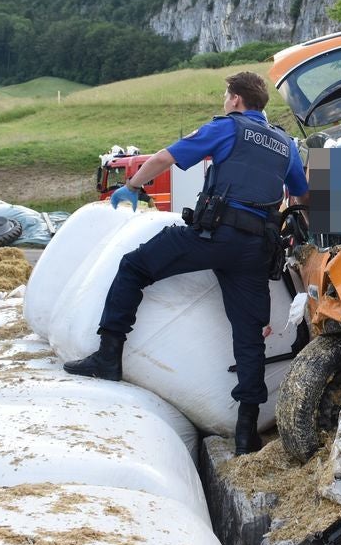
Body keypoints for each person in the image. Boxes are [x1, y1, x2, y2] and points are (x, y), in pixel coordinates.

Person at [64, 70, 308, 455]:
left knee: (134, 266)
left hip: (213, 236)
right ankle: (247, 430)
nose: (225, 101)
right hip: (254, 249)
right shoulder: (285, 144)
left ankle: (108, 355)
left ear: (236, 100)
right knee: (248, 336)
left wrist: (129, 186)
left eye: (226, 96)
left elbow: (164, 158)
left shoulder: (228, 127)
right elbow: (302, 193)